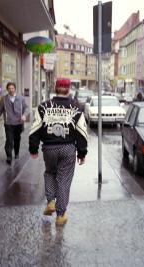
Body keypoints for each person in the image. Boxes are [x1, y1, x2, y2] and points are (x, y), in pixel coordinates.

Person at [29, 78, 88, 226]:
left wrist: (33, 149)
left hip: (49, 148)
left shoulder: (43, 107)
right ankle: (60, 215)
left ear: (55, 88)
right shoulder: (77, 107)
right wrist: (82, 153)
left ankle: (50, 202)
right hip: (68, 148)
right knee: (64, 180)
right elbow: (82, 133)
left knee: (50, 173)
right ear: (69, 89)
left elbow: (35, 129)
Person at [0, 82, 29, 165]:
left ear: (15, 89)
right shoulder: (4, 99)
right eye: (9, 88)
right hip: (8, 123)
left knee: (17, 139)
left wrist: (24, 115)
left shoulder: (21, 98)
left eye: (12, 88)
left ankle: (16, 153)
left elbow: (26, 108)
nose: (11, 90)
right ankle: (9, 156)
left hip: (18, 123)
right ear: (7, 90)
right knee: (9, 140)